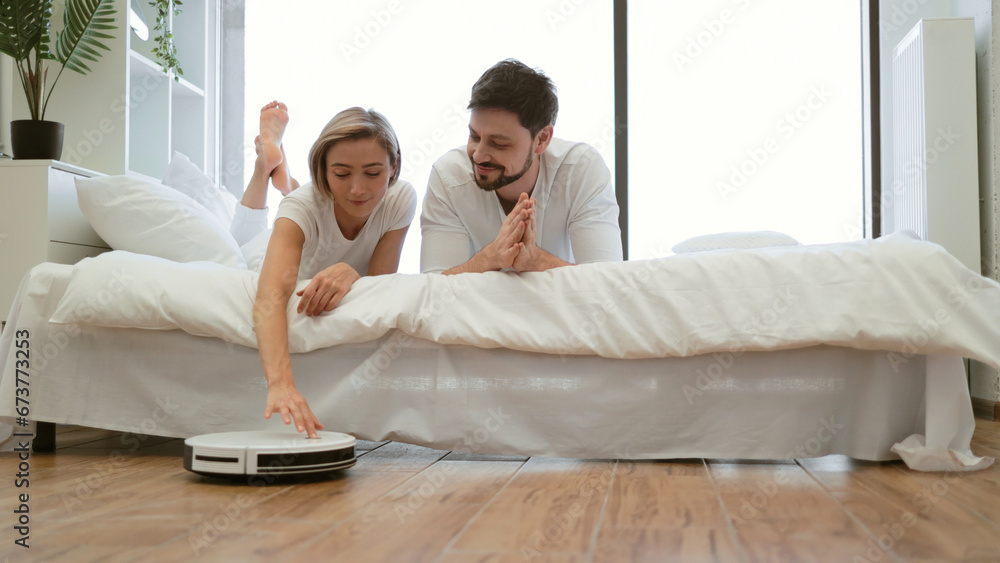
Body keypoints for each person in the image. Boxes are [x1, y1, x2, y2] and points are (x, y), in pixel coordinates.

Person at [245, 103, 416, 437]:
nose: (358, 189)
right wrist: (281, 384)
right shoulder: (300, 208)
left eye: (373, 173)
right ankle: (265, 168)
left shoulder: (400, 198)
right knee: (243, 236)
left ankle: (284, 176)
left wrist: (351, 273)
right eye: (341, 174)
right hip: (263, 254)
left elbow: (380, 284)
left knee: (305, 203)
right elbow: (269, 297)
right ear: (322, 169)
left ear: (393, 167)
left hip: (313, 228)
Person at [420, 59, 622, 275]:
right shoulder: (448, 177)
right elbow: (434, 288)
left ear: (542, 139)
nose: (478, 155)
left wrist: (536, 260)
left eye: (499, 143)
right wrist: (489, 258)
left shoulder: (581, 170)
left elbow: (607, 281)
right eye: (474, 136)